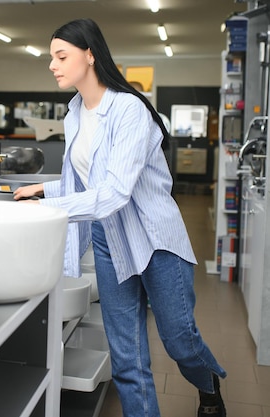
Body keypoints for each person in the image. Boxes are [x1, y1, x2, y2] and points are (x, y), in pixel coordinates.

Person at [13, 18, 227, 417]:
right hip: (109, 243)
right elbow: (85, 182)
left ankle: (208, 381)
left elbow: (113, 192)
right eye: (51, 58)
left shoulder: (129, 110)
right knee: (127, 358)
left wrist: (47, 207)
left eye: (61, 56)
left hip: (154, 240)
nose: (52, 65)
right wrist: (45, 189)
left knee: (180, 340)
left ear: (90, 55)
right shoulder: (73, 113)